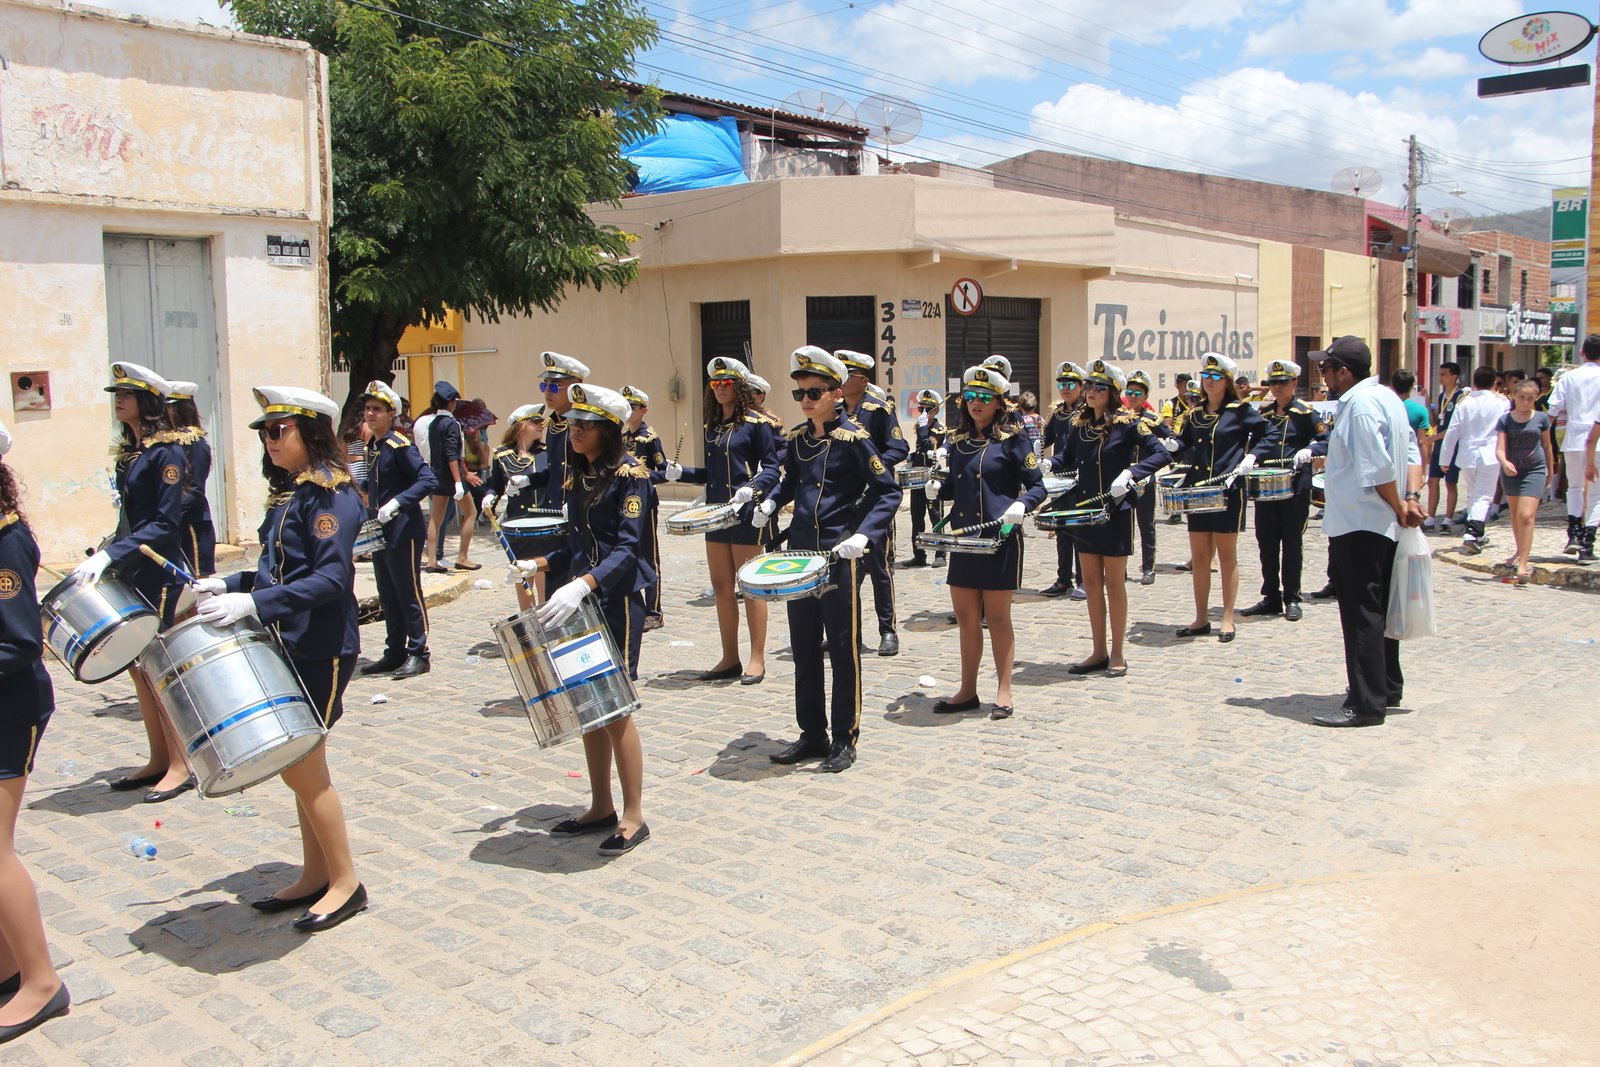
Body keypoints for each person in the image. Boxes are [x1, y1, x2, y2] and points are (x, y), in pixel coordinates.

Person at [193, 386, 367, 928]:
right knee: (297, 766)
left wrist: (255, 603)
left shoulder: (331, 496)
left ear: (311, 432)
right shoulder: (295, 493)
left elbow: (331, 579)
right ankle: (316, 873)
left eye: (278, 430)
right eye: (265, 433)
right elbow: (278, 568)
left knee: (307, 768)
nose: (269, 441)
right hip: (288, 640)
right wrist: (229, 584)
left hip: (320, 645)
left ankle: (346, 882)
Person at [516, 384, 653, 854]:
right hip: (584, 599)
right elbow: (575, 545)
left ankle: (633, 815)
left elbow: (628, 549)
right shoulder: (580, 476)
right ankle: (600, 805)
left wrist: (583, 584)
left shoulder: (631, 476)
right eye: (572, 424)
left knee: (616, 708)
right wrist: (539, 564)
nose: (574, 432)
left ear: (608, 430)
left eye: (585, 425)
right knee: (589, 706)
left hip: (617, 598)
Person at [753, 349, 900, 771]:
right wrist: (771, 502)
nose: (805, 400)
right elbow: (791, 481)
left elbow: (888, 491)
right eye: (800, 393)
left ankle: (844, 737)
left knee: (841, 648)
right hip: (801, 554)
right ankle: (812, 733)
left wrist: (864, 534)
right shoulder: (799, 439)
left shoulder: (856, 439)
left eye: (814, 392)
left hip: (838, 554)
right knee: (803, 647)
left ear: (836, 394)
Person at [77, 362, 194, 802]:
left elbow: (164, 524)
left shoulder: (167, 453)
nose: (119, 401)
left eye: (126, 394)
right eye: (116, 394)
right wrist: (110, 549)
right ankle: (159, 757)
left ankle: (181, 764)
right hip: (134, 569)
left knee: (160, 667)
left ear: (147, 402)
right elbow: (132, 516)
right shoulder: (135, 452)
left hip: (158, 571)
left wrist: (115, 553)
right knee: (138, 667)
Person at [1310, 337, 1425, 727]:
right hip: (1379, 521)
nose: (1323, 376)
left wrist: (1400, 505)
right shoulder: (1388, 397)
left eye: (1326, 369)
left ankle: (1366, 703)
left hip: (1361, 522)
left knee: (1362, 613)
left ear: (1344, 371)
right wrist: (1409, 498)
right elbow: (1411, 453)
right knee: (1380, 608)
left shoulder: (1360, 405)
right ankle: (1386, 686)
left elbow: (1376, 468)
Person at [0, 435, 72, 1046]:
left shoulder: (6, 540)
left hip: (10, 707)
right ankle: (8, 965)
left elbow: (21, 641)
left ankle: (42, 982)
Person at [927, 365, 1046, 719]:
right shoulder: (959, 442)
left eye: (984, 397)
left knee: (997, 618)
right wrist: (937, 488)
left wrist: (1022, 505)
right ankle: (967, 690)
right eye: (970, 396)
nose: (975, 402)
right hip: (965, 540)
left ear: (998, 403)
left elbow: (1037, 485)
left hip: (999, 539)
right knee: (966, 618)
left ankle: (1004, 690)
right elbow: (957, 485)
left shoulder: (1012, 440)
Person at [1047, 360, 1169, 676]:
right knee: (1090, 582)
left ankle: (1117, 653)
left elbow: (1162, 453)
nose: (1091, 391)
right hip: (1085, 511)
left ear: (1112, 392)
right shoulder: (1079, 424)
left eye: (1099, 387)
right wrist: (1047, 464)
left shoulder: (1128, 424)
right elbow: (1067, 457)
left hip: (1115, 511)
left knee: (1114, 583)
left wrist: (1132, 472)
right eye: (1089, 385)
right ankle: (1098, 650)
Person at [666, 357, 779, 684]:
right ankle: (730, 656)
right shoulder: (712, 427)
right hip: (716, 513)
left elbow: (772, 468)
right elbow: (712, 474)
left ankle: (757, 657)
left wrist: (752, 489)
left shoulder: (757, 424)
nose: (719, 389)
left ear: (739, 387)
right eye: (715, 384)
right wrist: (683, 473)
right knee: (721, 587)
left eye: (726, 383)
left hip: (744, 514)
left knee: (750, 586)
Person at [1170, 353, 1268, 642]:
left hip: (1227, 489)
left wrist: (1252, 456)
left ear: (1227, 381)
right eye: (1205, 376)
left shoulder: (1239, 411)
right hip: (1199, 489)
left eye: (1215, 377)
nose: (1209, 381)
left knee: (1226, 556)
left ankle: (1227, 617)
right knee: (1200, 556)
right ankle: (1201, 617)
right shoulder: (1196, 413)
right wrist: (1173, 443)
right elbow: (1185, 441)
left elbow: (1269, 433)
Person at [359, 381, 438, 678]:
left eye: (377, 409)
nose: (370, 413)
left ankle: (419, 652)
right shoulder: (374, 446)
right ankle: (394, 652)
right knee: (387, 594)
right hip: (380, 531)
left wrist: (397, 503)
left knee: (408, 593)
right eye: (368, 408)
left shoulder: (399, 445)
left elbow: (427, 479)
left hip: (403, 529)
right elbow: (379, 482)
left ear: (391, 414)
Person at [1240, 359, 1327, 623]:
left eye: (1282, 382)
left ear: (1294, 383)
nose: (1276, 387)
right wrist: (1251, 457)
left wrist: (1310, 450)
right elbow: (1254, 442)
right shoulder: (1264, 412)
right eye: (1273, 382)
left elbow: (1326, 439)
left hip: (1294, 486)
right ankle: (1270, 595)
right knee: (1266, 542)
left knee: (1291, 543)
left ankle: (1292, 597)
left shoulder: (1305, 413)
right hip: (1266, 486)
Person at [835, 350, 908, 656]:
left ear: (863, 380)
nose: (841, 380)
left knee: (879, 568)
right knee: (843, 572)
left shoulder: (878, 410)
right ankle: (846, 632)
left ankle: (887, 631)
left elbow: (899, 447)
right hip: (844, 502)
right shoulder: (834, 409)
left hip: (874, 499)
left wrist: (872, 466)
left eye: (847, 375)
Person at [532, 352, 589, 593]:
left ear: (575, 387)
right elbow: (554, 472)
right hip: (555, 514)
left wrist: (578, 501)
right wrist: (527, 480)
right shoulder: (553, 424)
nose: (548, 392)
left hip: (579, 514)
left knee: (577, 584)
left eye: (555, 386)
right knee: (554, 583)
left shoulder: (584, 422)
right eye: (544, 385)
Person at [485, 403, 551, 613]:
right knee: (522, 578)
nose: (542, 425)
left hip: (543, 522)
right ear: (521, 426)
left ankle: (547, 622)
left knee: (542, 576)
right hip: (517, 523)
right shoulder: (502, 455)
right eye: (535, 421)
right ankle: (530, 622)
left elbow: (552, 479)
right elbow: (496, 485)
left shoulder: (546, 452)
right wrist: (490, 496)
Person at [1438, 365, 1510, 555]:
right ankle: (1472, 533)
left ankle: (1478, 532)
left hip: (1468, 455)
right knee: (1483, 495)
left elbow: (1452, 432)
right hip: (1491, 453)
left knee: (1474, 494)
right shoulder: (1501, 402)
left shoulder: (1464, 403)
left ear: (1474, 382)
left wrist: (1445, 458)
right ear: (1494, 382)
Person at [1496, 380, 1555, 582]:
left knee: (1526, 515)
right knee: (1515, 515)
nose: (1526, 402)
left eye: (1530, 398)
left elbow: (1547, 446)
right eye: (1522, 397)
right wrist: (1505, 463)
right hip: (1512, 472)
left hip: (1534, 470)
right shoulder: (1505, 420)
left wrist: (1550, 471)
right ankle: (1520, 550)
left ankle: (1523, 563)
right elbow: (1500, 449)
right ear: (1514, 396)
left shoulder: (1541, 418)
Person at [621, 387, 668, 629]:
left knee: (649, 556)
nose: (628, 411)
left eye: (632, 407)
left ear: (643, 410)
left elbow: (664, 472)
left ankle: (654, 610)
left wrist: (643, 477)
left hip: (646, 502)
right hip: (626, 503)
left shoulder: (649, 438)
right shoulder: (622, 438)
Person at [1549, 335, 1600, 557]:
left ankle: (1575, 533)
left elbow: (1553, 409)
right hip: (1598, 438)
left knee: (1575, 488)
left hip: (1574, 437)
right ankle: (1588, 541)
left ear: (1582, 352)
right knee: (1597, 493)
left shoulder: (1568, 377)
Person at [421, 380, 480, 572]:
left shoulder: (433, 423)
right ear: (451, 402)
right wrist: (458, 481)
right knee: (471, 512)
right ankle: (462, 557)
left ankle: (431, 560)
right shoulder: (451, 424)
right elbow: (451, 454)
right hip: (451, 477)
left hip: (437, 474)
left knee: (435, 519)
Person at [1041, 360, 1087, 598]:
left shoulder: (1087, 412)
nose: (1065, 388)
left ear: (1081, 386)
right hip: (1060, 476)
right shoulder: (1059, 413)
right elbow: (1047, 437)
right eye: (1061, 384)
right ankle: (1063, 579)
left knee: (1079, 530)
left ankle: (1084, 580)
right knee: (1061, 530)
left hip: (1081, 478)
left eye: (1070, 384)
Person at [165, 381, 216, 577]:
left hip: (193, 524)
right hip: (173, 523)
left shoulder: (195, 443)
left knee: (201, 585)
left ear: (179, 409)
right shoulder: (166, 442)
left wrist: (167, 511)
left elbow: (195, 490)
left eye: (167, 407)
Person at [1123, 370, 1163, 584]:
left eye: (1138, 393)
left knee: (1146, 524)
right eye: (1129, 392)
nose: (1133, 397)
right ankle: (1120, 567)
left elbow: (1171, 443)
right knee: (1123, 524)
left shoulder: (1152, 420)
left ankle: (1149, 568)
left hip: (1145, 479)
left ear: (1145, 396)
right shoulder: (1118, 417)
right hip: (1122, 479)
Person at [905, 388, 949, 568]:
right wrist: (910, 456)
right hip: (918, 475)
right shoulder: (920, 425)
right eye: (920, 408)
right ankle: (919, 554)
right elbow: (920, 450)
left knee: (935, 516)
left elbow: (927, 446)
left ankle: (940, 554)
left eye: (927, 409)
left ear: (935, 410)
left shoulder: (939, 428)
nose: (923, 412)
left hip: (932, 476)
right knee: (916, 516)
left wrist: (923, 427)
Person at [1424, 362, 1467, 532]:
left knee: (1450, 482)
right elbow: (1435, 422)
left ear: (1454, 376)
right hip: (1439, 445)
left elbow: (1455, 427)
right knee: (1432, 480)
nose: (1440, 377)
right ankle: (1430, 518)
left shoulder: (1461, 397)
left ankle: (1447, 520)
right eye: (1439, 374)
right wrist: (1427, 402)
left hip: (1452, 446)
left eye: (1444, 374)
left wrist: (1432, 438)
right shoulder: (1442, 396)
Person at [1390, 369, 1432, 469]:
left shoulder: (1386, 406)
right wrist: (1423, 471)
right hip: (1411, 461)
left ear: (1392, 385)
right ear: (1412, 387)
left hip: (1390, 458)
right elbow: (1421, 442)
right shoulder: (1421, 410)